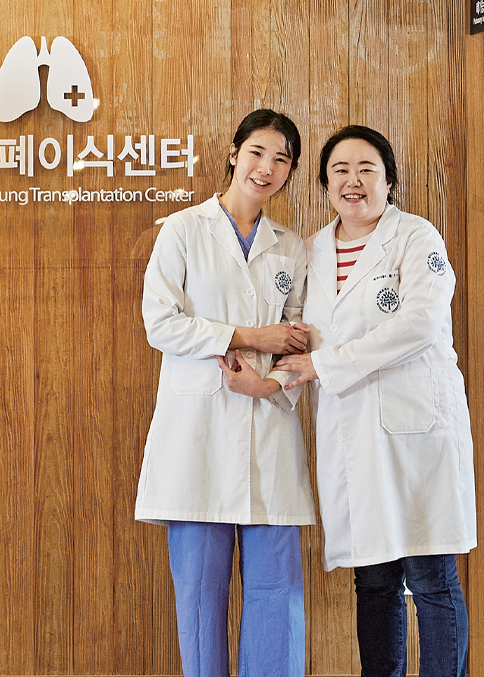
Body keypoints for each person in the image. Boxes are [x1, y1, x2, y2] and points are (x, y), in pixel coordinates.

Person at [274, 125, 475, 677]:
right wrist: (265, 375)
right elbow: (297, 335)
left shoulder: (416, 238)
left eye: (367, 169)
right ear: (324, 184)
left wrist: (326, 364)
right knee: (375, 579)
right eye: (340, 170)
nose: (353, 181)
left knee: (431, 576)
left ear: (389, 180)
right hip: (353, 433)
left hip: (418, 432)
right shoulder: (311, 251)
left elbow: (419, 324)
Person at [136, 109, 315, 677]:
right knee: (199, 601)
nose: (267, 167)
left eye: (281, 159)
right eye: (257, 152)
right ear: (234, 153)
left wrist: (268, 383)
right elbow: (160, 323)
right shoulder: (183, 230)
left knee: (277, 598)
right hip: (199, 438)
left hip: (269, 432)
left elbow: (302, 339)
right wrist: (249, 336)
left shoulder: (292, 248)